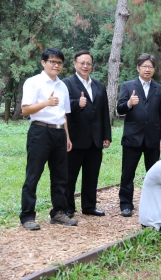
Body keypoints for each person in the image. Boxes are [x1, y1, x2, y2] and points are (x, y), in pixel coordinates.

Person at [19, 48, 78, 230]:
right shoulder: (33, 82)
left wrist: (67, 136)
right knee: (33, 174)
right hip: (40, 131)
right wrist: (46, 102)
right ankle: (28, 216)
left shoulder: (63, 86)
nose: (56, 65)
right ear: (43, 63)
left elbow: (64, 114)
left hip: (60, 132)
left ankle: (59, 213)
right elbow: (25, 110)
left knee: (61, 176)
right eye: (52, 61)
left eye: (59, 62)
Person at [117, 53, 161, 217]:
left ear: (154, 69)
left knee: (153, 173)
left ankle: (153, 203)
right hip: (132, 137)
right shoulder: (127, 86)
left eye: (150, 67)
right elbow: (119, 109)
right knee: (128, 173)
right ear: (138, 68)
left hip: (153, 138)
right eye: (144, 66)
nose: (147, 69)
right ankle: (126, 204)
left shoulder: (160, 90)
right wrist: (129, 104)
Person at [62, 50, 112, 218]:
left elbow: (104, 111)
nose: (85, 66)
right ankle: (68, 207)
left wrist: (106, 135)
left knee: (92, 175)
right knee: (70, 176)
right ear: (75, 64)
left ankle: (89, 206)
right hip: (75, 138)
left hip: (95, 139)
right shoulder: (66, 84)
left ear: (92, 65)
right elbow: (61, 107)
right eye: (82, 63)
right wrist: (77, 103)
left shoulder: (99, 86)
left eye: (88, 63)